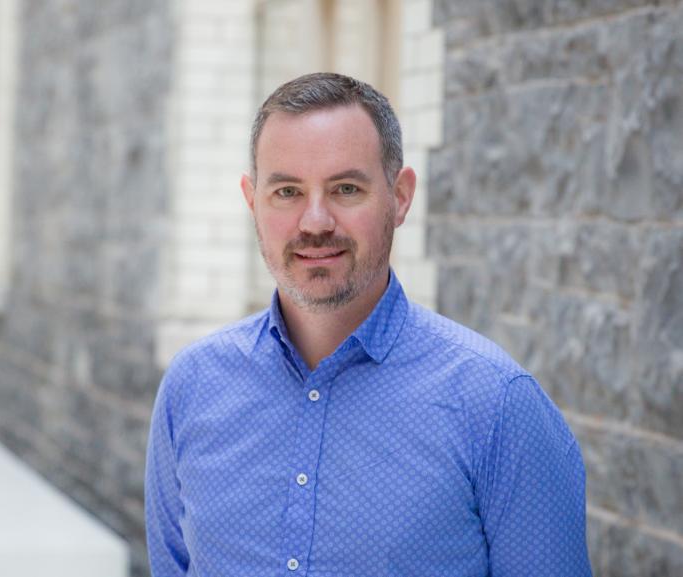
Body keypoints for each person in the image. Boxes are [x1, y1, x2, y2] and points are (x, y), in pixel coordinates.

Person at [145, 72, 592, 577]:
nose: (315, 221)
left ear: (400, 197)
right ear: (252, 201)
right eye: (287, 191)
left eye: (346, 188)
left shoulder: (497, 405)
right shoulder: (191, 388)